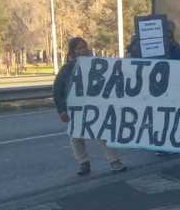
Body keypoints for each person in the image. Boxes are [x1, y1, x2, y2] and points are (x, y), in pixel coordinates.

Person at [53, 37, 127, 175]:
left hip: (95, 107)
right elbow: (58, 90)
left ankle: (114, 161)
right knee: (76, 137)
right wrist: (62, 110)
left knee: (102, 133)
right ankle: (83, 163)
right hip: (76, 109)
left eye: (84, 47)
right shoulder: (67, 69)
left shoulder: (97, 66)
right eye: (79, 48)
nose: (83, 50)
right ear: (73, 52)